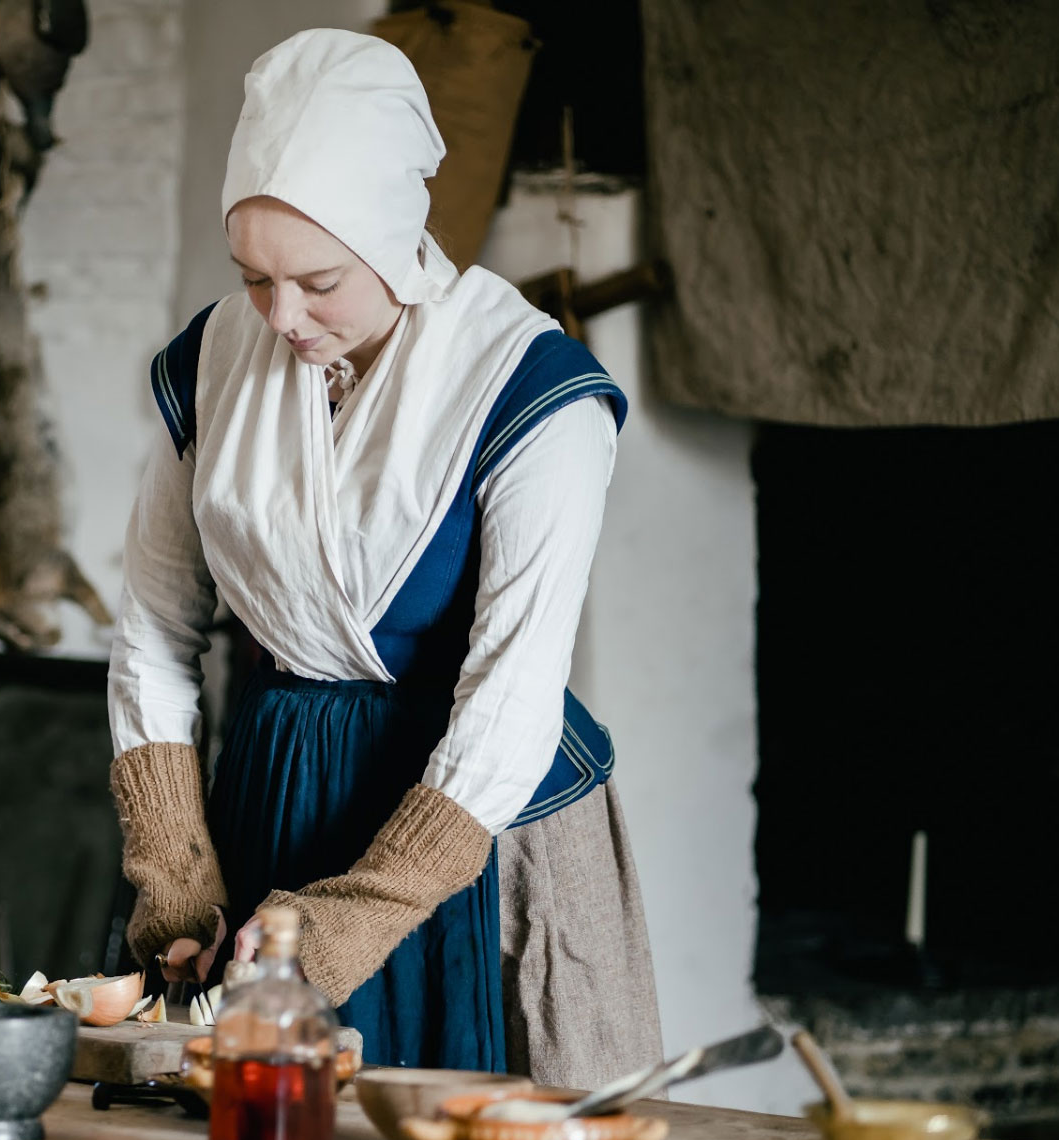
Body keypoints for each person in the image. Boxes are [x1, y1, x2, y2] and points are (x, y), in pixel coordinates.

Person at [105, 29, 661, 1086]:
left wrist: (355, 920)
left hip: (471, 821)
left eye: (318, 280)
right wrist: (174, 870)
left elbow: (511, 693)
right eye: (254, 278)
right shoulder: (219, 356)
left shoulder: (529, 391)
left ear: (396, 238)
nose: (283, 317)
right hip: (277, 793)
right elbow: (155, 626)